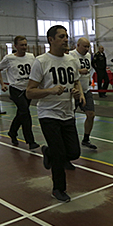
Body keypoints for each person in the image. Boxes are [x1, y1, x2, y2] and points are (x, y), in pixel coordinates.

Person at [26, 25, 84, 203]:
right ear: (51, 40)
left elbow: (76, 82)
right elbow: (29, 92)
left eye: (66, 36)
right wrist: (50, 91)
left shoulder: (72, 61)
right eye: (61, 37)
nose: (66, 39)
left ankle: (48, 152)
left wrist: (79, 93)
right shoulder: (41, 61)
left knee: (73, 152)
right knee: (60, 156)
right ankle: (58, 189)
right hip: (48, 114)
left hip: (68, 113)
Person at [0, 36, 39, 149]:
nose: (24, 47)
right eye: (21, 45)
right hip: (16, 90)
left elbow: (35, 70)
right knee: (25, 113)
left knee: (21, 113)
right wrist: (2, 83)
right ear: (16, 46)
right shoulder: (9, 58)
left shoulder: (30, 57)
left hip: (28, 90)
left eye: (25, 45)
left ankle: (12, 132)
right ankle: (30, 141)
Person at [69, 38, 98, 149]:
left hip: (85, 89)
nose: (87, 49)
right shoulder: (71, 55)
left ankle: (86, 139)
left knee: (91, 114)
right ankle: (71, 139)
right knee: (70, 117)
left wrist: (89, 78)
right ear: (78, 45)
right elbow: (68, 70)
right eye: (84, 46)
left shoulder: (87, 56)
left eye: (88, 47)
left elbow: (89, 69)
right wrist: (79, 71)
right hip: (74, 91)